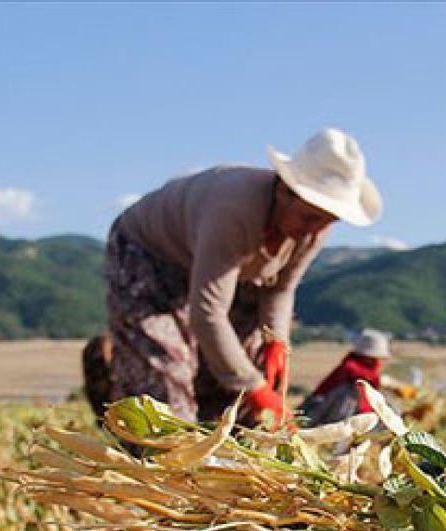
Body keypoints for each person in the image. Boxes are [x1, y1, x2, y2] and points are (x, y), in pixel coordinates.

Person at [89, 128, 381, 427]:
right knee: (165, 376)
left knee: (239, 369)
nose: (315, 231)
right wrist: (252, 385)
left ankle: (220, 447)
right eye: (309, 218)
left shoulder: (313, 228)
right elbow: (208, 314)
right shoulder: (233, 211)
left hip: (225, 270)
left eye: (327, 222)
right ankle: (152, 442)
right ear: (284, 192)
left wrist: (276, 341)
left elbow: (280, 289)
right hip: (150, 253)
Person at [300, 329, 392, 425]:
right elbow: (363, 376)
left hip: (337, 409)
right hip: (321, 408)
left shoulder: (368, 368)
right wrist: (386, 382)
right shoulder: (350, 367)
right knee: (349, 392)